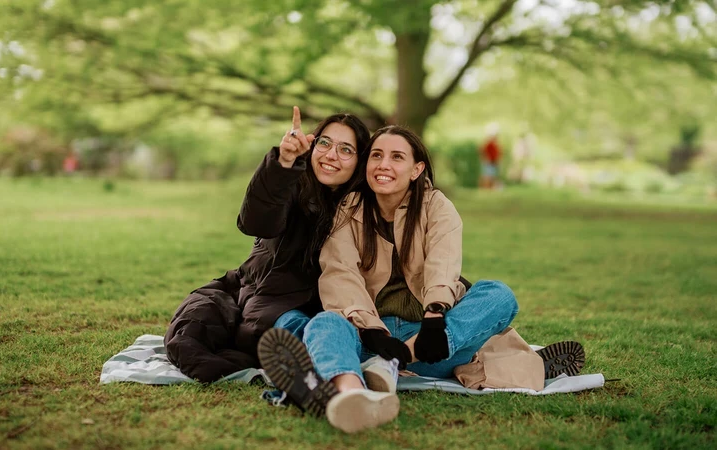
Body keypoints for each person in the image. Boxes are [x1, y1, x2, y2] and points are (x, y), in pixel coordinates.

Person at [259, 125, 584, 433]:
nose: (383, 164)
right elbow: (339, 271)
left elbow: (443, 263)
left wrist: (434, 316)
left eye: (397, 157)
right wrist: (372, 331)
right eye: (376, 155)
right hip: (372, 337)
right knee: (322, 323)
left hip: (431, 342)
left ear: (416, 169)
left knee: (498, 294)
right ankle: (352, 396)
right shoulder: (351, 207)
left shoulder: (436, 206)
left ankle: (389, 364)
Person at [163, 107, 371, 382]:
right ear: (312, 145)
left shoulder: (359, 210)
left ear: (359, 160)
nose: (331, 155)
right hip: (244, 285)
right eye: (325, 143)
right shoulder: (291, 182)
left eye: (346, 150)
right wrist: (283, 163)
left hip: (295, 305)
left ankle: (306, 370)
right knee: (190, 329)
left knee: (265, 333)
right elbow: (255, 223)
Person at [479, 123, 502, 189]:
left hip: (494, 162)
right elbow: (483, 152)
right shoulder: (488, 143)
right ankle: (486, 188)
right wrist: (486, 159)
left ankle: (491, 187)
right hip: (489, 162)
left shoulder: (495, 143)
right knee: (488, 176)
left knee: (492, 175)